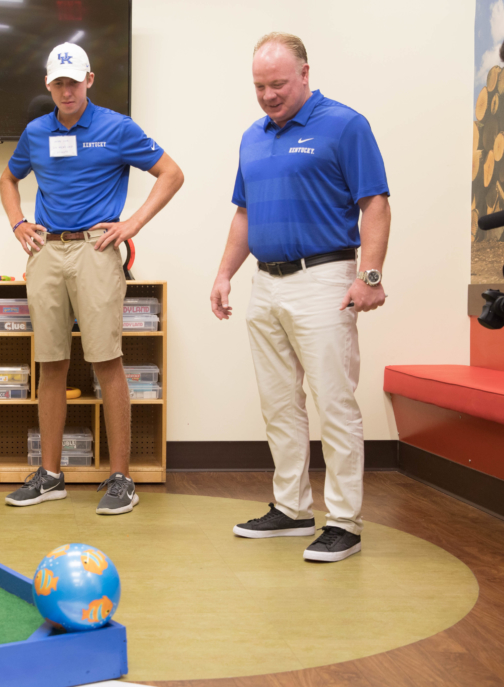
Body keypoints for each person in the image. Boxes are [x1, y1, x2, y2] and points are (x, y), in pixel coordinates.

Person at [210, 33, 390, 562]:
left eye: (279, 84)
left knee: (334, 402)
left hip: (327, 278)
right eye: (260, 86)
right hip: (266, 282)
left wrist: (371, 277)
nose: (269, 95)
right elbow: (245, 213)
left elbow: (374, 203)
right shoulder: (252, 137)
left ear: (305, 74)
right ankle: (290, 508)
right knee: (278, 403)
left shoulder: (344, 125)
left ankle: (344, 522)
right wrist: (224, 274)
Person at [0, 42, 184, 515]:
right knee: (51, 363)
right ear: (48, 84)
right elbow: (8, 179)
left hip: (95, 250)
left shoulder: (116, 128)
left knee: (107, 361)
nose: (66, 90)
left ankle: (121, 479)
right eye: (58, 83)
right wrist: (19, 222)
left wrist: (131, 224)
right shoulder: (35, 132)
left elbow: (170, 173)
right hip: (47, 251)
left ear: (89, 80)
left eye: (73, 82)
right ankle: (51, 476)